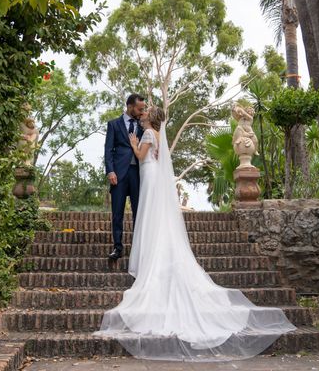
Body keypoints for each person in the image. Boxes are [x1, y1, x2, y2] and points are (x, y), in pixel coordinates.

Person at [95, 106, 296, 361]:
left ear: (150, 119)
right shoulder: (157, 134)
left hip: (148, 175)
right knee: (155, 218)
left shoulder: (147, 135)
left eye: (146, 114)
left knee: (149, 217)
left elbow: (140, 154)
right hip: (153, 175)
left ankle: (151, 258)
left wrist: (134, 143)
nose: (143, 114)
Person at [104, 94, 147, 260]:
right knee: (117, 213)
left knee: (139, 212)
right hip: (119, 173)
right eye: (139, 108)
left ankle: (138, 249)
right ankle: (117, 247)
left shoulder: (143, 125)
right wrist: (110, 171)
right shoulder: (113, 124)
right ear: (130, 106)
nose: (141, 111)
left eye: (143, 108)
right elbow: (108, 150)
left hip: (138, 174)